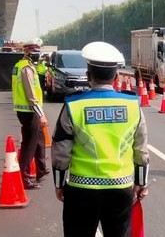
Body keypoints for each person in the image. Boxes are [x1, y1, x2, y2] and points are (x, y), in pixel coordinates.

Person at [51, 41, 150, 237]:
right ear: (116, 76)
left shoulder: (74, 105)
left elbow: (60, 150)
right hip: (121, 188)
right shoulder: (132, 105)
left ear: (88, 76)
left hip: (81, 190)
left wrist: (60, 183)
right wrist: (141, 182)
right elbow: (141, 148)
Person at [11, 38, 50, 189]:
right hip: (28, 110)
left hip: (27, 109)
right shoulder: (25, 68)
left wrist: (42, 63)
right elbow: (31, 94)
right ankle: (24, 176)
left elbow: (40, 74)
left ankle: (41, 168)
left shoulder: (24, 66)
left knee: (39, 137)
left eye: (38, 51)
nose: (36, 54)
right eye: (34, 51)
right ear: (26, 51)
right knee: (29, 143)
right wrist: (41, 114)